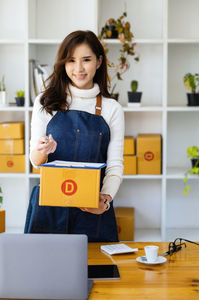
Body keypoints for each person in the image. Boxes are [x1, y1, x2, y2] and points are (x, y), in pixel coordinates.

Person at [24, 30, 124, 242]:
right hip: (49, 209)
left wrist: (105, 201)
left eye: (86, 60)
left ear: (98, 61)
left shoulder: (111, 108)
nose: (78, 68)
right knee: (44, 273)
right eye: (71, 60)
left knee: (97, 273)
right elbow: (35, 161)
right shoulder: (45, 102)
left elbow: (114, 166)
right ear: (63, 63)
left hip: (92, 208)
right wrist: (42, 152)